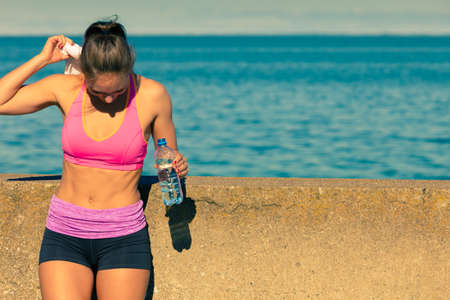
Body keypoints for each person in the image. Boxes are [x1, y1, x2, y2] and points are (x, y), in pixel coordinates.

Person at [0, 19, 189, 299]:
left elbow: (168, 156)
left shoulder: (153, 96)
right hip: (64, 231)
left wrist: (177, 165)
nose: (110, 100)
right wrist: (42, 59)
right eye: (99, 92)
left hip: (123, 235)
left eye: (118, 91)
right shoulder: (66, 88)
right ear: (84, 74)